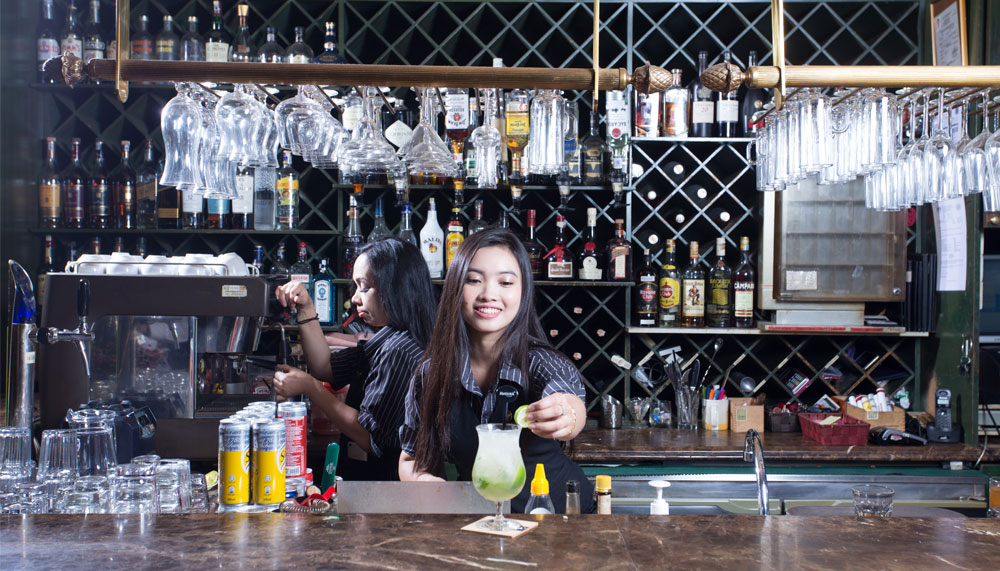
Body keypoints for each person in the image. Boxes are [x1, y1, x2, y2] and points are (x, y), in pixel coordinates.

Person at [398, 227, 595, 513]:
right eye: (474, 280)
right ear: (454, 288)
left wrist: (566, 414)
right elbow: (411, 459)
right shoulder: (431, 373)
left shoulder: (542, 362)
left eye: (505, 282)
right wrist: (432, 487)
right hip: (482, 521)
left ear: (523, 292)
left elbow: (569, 400)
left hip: (560, 520)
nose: (489, 294)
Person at [274, 238, 436, 481]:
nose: (356, 299)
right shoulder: (387, 338)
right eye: (356, 286)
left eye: (365, 287)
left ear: (397, 288)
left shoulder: (400, 350)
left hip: (384, 483)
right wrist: (306, 307)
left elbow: (369, 437)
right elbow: (324, 367)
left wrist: (310, 387)